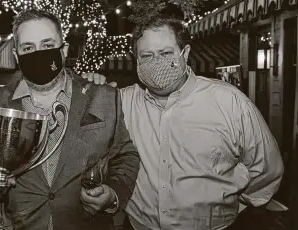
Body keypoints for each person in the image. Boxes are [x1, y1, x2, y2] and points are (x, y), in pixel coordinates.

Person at [83, 13, 284, 230]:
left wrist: (231, 200)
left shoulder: (230, 102)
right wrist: (87, 90)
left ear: (185, 53)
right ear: (136, 61)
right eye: (147, 56)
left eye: (166, 53)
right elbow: (87, 144)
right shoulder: (121, 102)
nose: (157, 62)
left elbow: (266, 169)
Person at [0, 9, 140, 230]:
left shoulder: (104, 97)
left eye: (47, 45)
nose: (39, 54)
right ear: (16, 56)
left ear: (63, 50)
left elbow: (125, 156)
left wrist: (112, 195)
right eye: (28, 48)